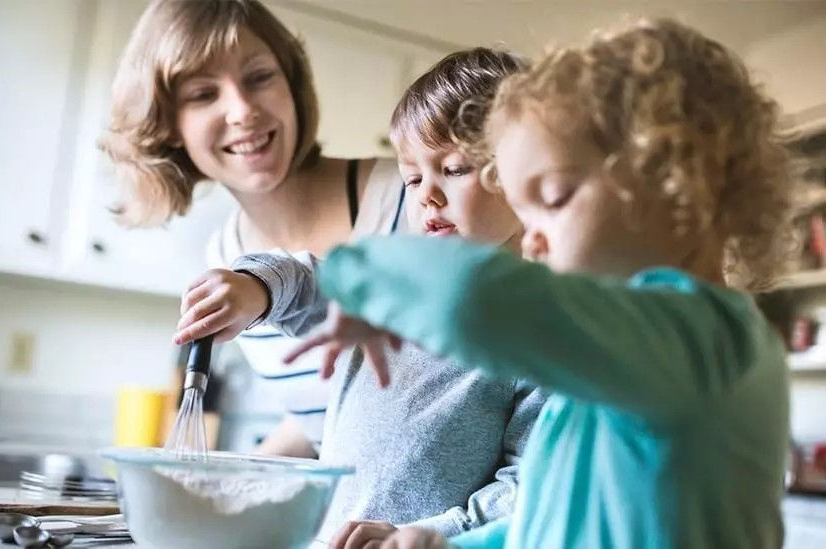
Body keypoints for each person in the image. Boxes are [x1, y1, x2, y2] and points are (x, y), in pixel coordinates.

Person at [291, 19, 792, 549]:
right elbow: (546, 518)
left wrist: (362, 271)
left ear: (676, 185)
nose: (531, 241)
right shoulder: (618, 365)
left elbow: (473, 298)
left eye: (551, 200)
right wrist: (440, 545)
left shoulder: (704, 338)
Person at [175, 48, 547, 546]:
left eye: (454, 169)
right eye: (414, 177)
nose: (426, 196)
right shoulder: (394, 289)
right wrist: (257, 286)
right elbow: (310, 281)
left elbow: (530, 483)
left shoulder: (543, 334)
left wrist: (428, 535)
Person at [100, 0, 406, 456]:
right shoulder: (226, 256)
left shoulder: (414, 194)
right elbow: (322, 418)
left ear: (292, 84)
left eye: (260, 77)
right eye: (204, 94)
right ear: (168, 126)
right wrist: (227, 483)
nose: (242, 110)